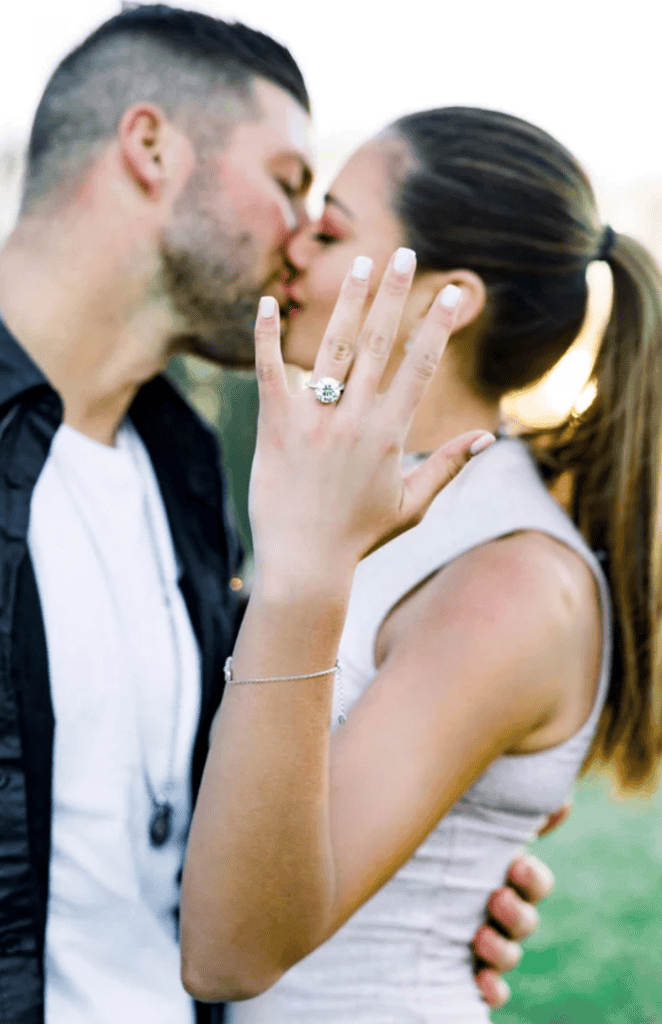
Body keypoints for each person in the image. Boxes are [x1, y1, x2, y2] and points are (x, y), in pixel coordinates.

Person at [0, 6, 557, 1021]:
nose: (302, 240)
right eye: (287, 185)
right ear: (151, 147)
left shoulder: (191, 471)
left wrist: (414, 891)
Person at [180, 106, 662, 1021]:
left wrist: (301, 569)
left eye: (330, 230)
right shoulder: (371, 504)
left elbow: (230, 950)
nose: (291, 252)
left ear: (448, 301)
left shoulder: (511, 585)